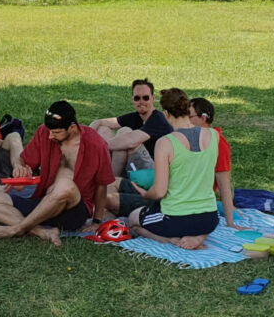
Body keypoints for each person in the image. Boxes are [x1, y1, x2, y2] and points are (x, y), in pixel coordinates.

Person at [0, 101, 114, 246]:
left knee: (65, 185)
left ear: (72, 127)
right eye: (49, 131)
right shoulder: (44, 132)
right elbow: (22, 159)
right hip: (44, 203)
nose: (50, 136)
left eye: (56, 132)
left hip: (73, 211)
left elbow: (102, 185)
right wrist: (19, 168)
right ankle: (42, 232)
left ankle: (18, 229)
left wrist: (96, 221)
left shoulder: (97, 145)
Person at [127, 88, 219, 250]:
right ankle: (199, 235)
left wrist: (146, 193)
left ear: (166, 114)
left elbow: (159, 192)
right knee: (196, 221)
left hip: (176, 219)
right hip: (210, 219)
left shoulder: (166, 142)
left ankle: (171, 240)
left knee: (133, 220)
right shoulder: (213, 135)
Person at [90, 78, 174, 177]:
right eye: (137, 98)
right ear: (132, 99)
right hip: (134, 164)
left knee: (125, 133)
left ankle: (111, 180)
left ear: (153, 98)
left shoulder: (158, 119)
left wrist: (97, 146)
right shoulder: (136, 116)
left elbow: (131, 142)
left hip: (156, 171)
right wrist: (87, 134)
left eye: (145, 98)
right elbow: (103, 122)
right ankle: (105, 174)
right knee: (102, 129)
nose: (141, 102)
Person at [190, 97, 243, 229]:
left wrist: (230, 222)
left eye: (189, 116)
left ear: (203, 119)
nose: (185, 120)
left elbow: (224, 185)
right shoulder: (187, 137)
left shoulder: (218, 143)